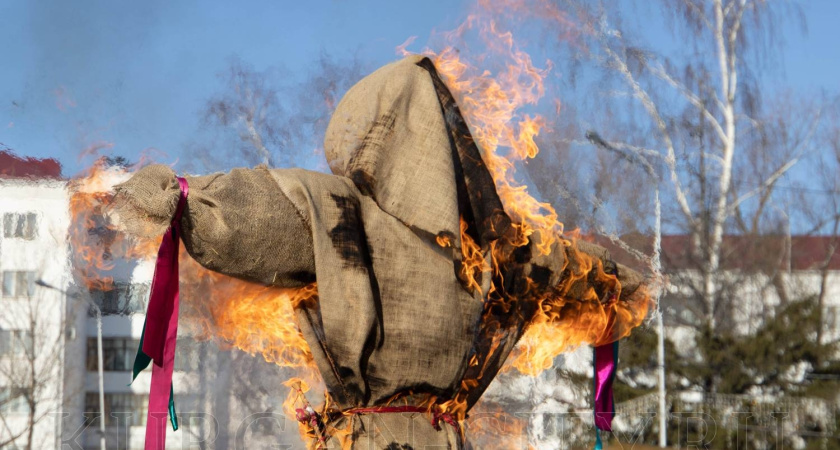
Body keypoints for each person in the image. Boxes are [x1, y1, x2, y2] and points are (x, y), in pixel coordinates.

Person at [114, 55, 650, 449]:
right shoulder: (494, 247)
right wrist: (622, 285)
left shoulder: (341, 212)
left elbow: (256, 217)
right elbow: (576, 270)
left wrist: (180, 196)